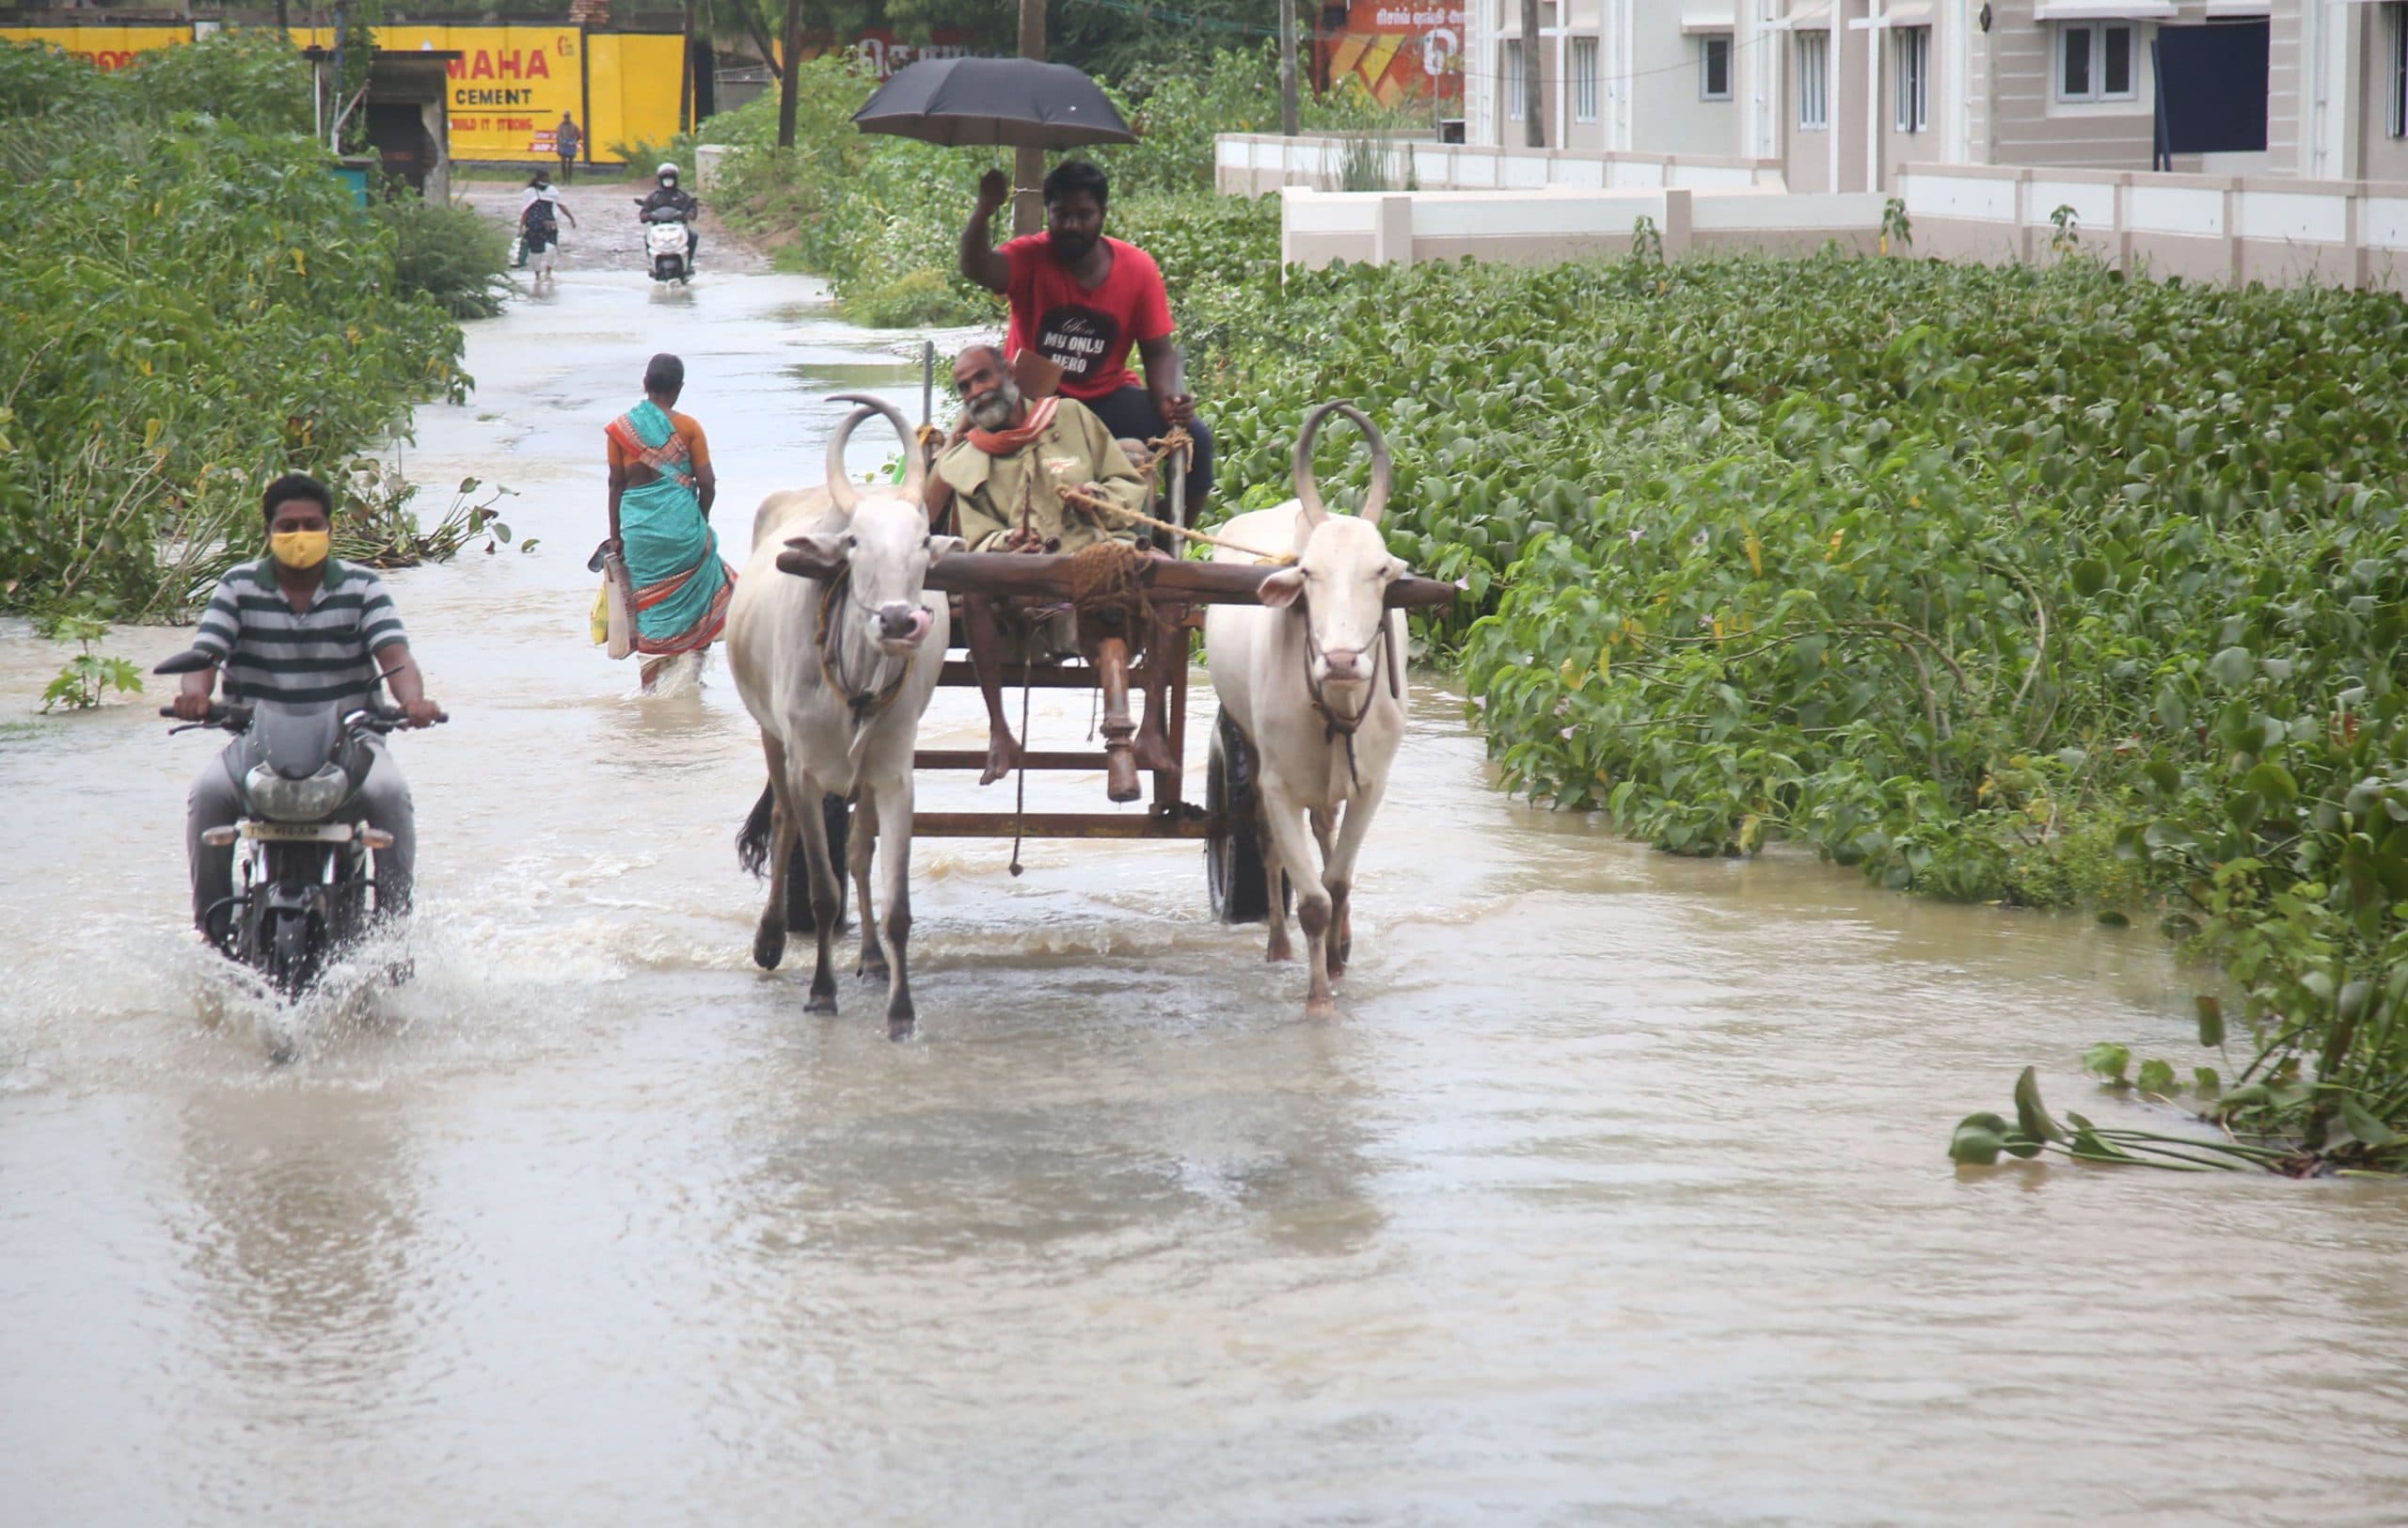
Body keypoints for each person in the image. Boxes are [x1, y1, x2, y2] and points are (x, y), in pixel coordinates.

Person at [179, 473, 441, 936]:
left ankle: (392, 937)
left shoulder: (363, 587)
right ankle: (213, 928)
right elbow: (205, 654)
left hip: (351, 743)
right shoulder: (237, 586)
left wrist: (414, 702)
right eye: (287, 526)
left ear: (330, 530)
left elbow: (396, 658)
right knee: (208, 796)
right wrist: (196, 695)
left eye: (311, 524)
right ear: (268, 532)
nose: (300, 536)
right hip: (257, 744)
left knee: (390, 795)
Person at [924, 343, 1180, 793]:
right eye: (965, 387)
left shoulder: (1073, 418)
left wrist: (1101, 498)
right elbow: (977, 541)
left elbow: (1126, 480)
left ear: (1007, 373)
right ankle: (1000, 733)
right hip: (1024, 583)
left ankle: (1152, 729)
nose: (976, 392)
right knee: (976, 585)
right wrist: (1007, 544)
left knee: (1170, 577)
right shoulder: (963, 462)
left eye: (982, 378)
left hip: (1102, 557)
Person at [958, 159, 1213, 510]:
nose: (1071, 225)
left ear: (1103, 214)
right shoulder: (1028, 256)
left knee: (1196, 440)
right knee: (968, 461)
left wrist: (1170, 400)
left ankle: (1168, 543)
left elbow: (1158, 351)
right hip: (1036, 403)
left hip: (1106, 399)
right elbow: (977, 267)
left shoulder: (1137, 268)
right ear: (1049, 212)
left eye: (1084, 214)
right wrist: (984, 210)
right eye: (1061, 214)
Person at [605, 353, 733, 690]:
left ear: (645, 385)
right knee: (702, 591)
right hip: (683, 530)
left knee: (647, 605)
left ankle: (650, 685)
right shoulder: (689, 428)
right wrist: (700, 520)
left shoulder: (620, 430)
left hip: (638, 534)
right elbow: (708, 483)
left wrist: (616, 536)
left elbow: (615, 484)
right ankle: (691, 679)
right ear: (678, 389)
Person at [518, 169, 577, 284]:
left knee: (551, 249)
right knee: (536, 253)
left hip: (550, 224)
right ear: (538, 179)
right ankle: (537, 276)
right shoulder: (529, 192)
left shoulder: (552, 190)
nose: (546, 182)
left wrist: (571, 218)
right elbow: (525, 210)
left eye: (547, 179)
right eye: (544, 179)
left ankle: (548, 274)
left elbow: (561, 205)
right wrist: (521, 226)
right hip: (533, 225)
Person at [637, 162, 699, 268]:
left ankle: (688, 263)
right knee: (647, 238)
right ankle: (652, 263)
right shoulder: (654, 197)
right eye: (665, 177)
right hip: (658, 228)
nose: (668, 180)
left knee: (693, 236)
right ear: (660, 179)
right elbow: (644, 212)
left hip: (679, 227)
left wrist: (689, 214)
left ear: (675, 179)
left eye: (670, 177)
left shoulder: (681, 195)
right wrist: (649, 216)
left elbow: (692, 208)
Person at [553, 112, 581, 184]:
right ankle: (564, 179)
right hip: (563, 145)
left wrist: (574, 141)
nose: (566, 118)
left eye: (567, 116)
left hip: (571, 146)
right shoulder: (560, 126)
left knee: (570, 163)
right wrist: (558, 147)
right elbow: (558, 137)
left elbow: (579, 135)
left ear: (569, 117)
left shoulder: (574, 126)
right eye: (565, 116)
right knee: (563, 163)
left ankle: (569, 180)